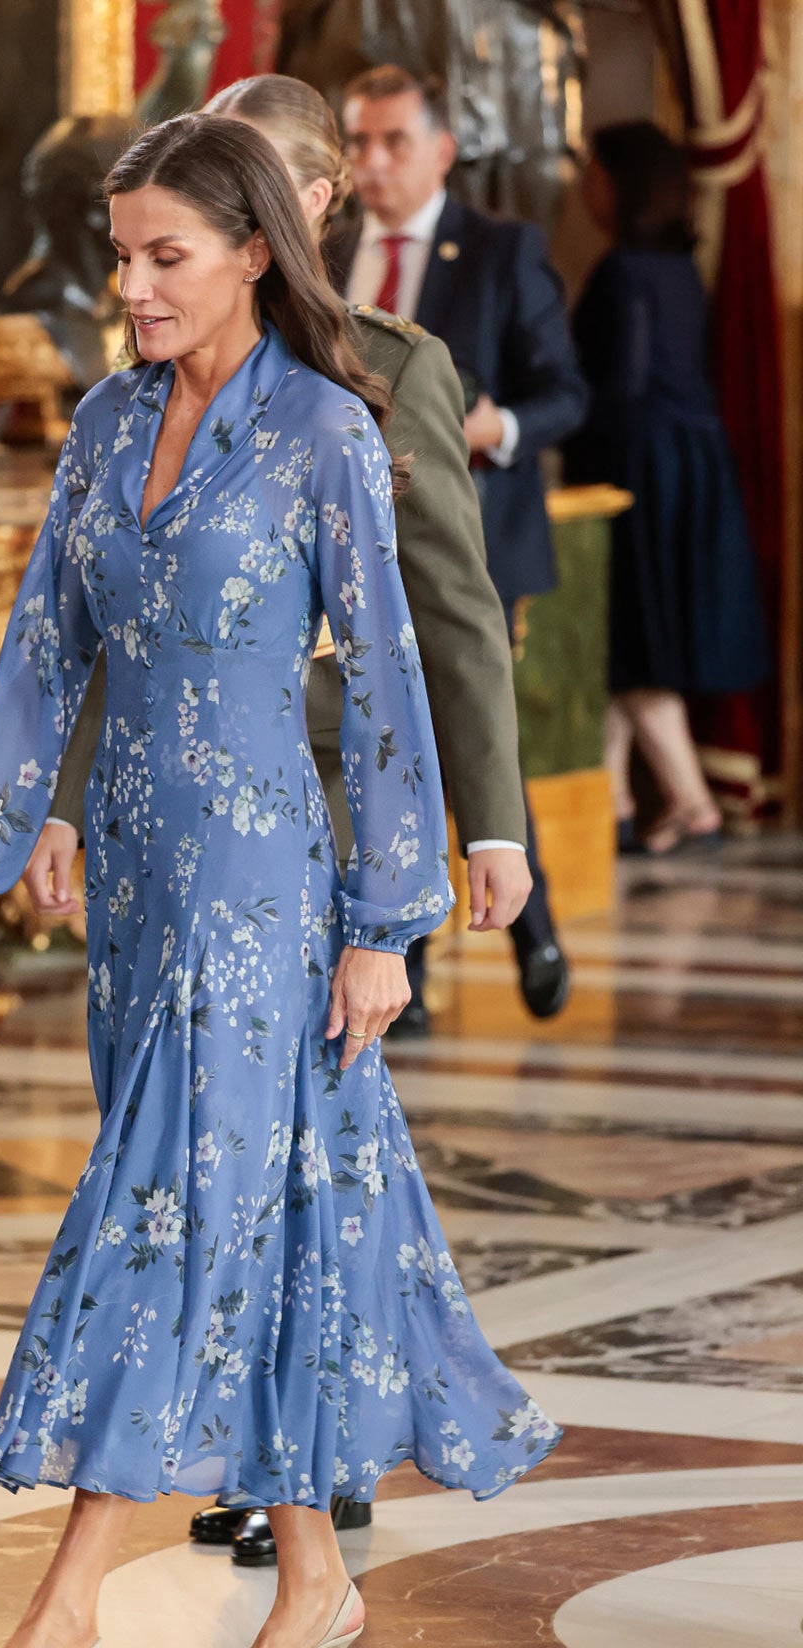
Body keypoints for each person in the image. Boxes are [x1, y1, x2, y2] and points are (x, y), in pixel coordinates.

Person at [0, 111, 559, 1648]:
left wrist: (393, 917)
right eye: (120, 255)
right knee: (266, 1225)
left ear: (255, 250)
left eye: (164, 256)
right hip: (135, 884)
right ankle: (314, 1578)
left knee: (168, 1225)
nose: (131, 284)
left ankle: (57, 1623)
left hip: (268, 890)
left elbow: (391, 674)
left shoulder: (328, 429)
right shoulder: (110, 425)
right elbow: (45, 648)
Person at [24, 71, 533, 1567]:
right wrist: (52, 801)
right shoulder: (129, 400)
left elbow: (444, 615)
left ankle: (102, 1584)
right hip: (155, 838)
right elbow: (104, 622)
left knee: (226, 1164)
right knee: (299, 1164)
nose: (136, 283)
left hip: (318, 830)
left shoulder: (384, 377)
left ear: (287, 216)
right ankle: (305, 1521)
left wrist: (478, 834)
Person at [331, 63, 589, 1020]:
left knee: (458, 727)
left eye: (395, 141)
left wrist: (493, 429)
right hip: (351, 550)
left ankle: (528, 921)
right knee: (386, 733)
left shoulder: (500, 249)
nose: (375, 161)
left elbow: (566, 392)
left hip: (472, 542)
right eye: (358, 142)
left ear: (440, 149)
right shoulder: (329, 250)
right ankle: (412, 962)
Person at [565, 121, 770, 854]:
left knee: (635, 642)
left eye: (592, 170)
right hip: (690, 471)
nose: (582, 186)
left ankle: (688, 799)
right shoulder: (681, 268)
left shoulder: (625, 271)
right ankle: (615, 800)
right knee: (627, 645)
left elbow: (620, 389)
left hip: (640, 474)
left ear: (620, 182)